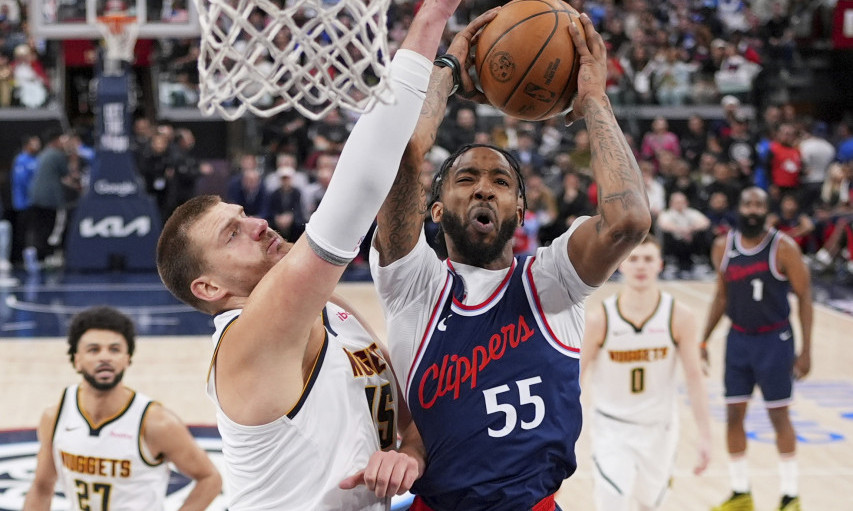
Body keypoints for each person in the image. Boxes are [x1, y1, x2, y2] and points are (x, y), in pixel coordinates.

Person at [154, 0, 461, 508]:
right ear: (209, 288)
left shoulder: (331, 309)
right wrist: (430, 22)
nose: (257, 224)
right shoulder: (246, 337)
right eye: (232, 234)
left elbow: (412, 421)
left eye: (243, 215)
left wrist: (410, 452)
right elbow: (357, 190)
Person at [369, 13, 651, 510]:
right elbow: (404, 155)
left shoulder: (551, 280)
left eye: (501, 182)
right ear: (436, 209)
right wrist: (447, 71)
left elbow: (627, 219)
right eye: (465, 179)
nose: (484, 188)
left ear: (520, 211)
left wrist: (593, 101)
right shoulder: (413, 285)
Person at [23, 306, 221, 511]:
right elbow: (41, 487)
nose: (105, 357)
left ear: (127, 359)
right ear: (76, 359)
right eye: (94, 350)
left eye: (115, 349)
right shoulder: (55, 416)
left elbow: (210, 478)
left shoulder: (157, 423)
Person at [581, 236, 712, 511]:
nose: (641, 266)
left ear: (660, 265)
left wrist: (705, 434)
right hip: (611, 427)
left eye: (648, 259)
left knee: (649, 505)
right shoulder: (600, 319)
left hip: (659, 427)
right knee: (612, 501)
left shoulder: (679, 316)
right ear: (621, 265)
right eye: (634, 259)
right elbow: (575, 379)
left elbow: (694, 378)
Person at [702, 187, 812, 511]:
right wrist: (704, 338)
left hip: (774, 340)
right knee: (733, 414)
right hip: (738, 340)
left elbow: (805, 297)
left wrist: (806, 350)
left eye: (758, 205)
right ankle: (741, 493)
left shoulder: (784, 247)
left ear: (767, 211)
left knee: (779, 415)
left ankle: (790, 495)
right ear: (739, 208)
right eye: (747, 204)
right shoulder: (723, 246)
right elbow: (721, 296)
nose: (752, 210)